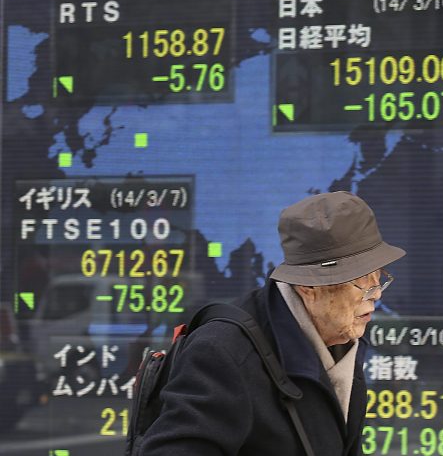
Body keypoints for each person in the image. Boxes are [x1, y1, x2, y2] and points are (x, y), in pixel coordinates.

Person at [140, 191, 405, 455]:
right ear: (309, 287)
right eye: (362, 281)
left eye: (378, 276)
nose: (377, 292)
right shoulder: (223, 352)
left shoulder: (343, 341)